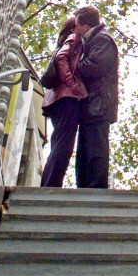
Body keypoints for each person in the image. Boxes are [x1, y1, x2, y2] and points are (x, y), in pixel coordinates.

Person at [74, 5, 119, 188]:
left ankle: (96, 189)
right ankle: (85, 188)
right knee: (86, 149)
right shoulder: (95, 40)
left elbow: (95, 66)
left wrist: (72, 65)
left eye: (76, 25)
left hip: (99, 103)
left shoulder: (102, 40)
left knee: (96, 149)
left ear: (84, 26)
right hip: (92, 103)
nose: (74, 29)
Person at [40, 16, 87, 188]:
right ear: (74, 28)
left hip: (56, 99)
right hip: (66, 98)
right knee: (64, 145)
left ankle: (48, 182)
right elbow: (61, 58)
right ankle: (51, 185)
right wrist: (72, 83)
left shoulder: (65, 40)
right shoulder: (74, 38)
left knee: (58, 142)